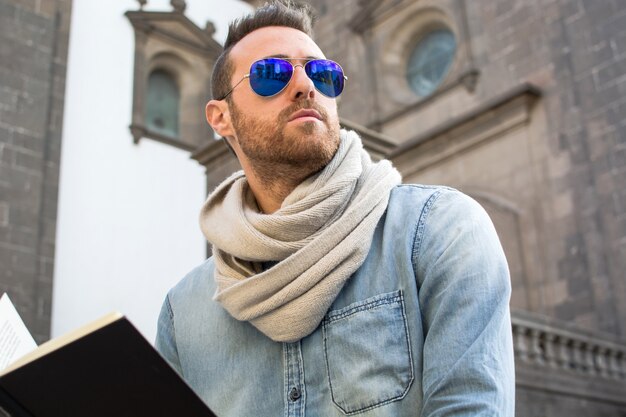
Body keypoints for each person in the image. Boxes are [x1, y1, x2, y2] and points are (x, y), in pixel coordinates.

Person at [155, 1, 515, 416]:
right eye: (271, 74)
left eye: (322, 74)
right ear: (221, 118)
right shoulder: (184, 312)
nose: (306, 85)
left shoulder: (441, 230)